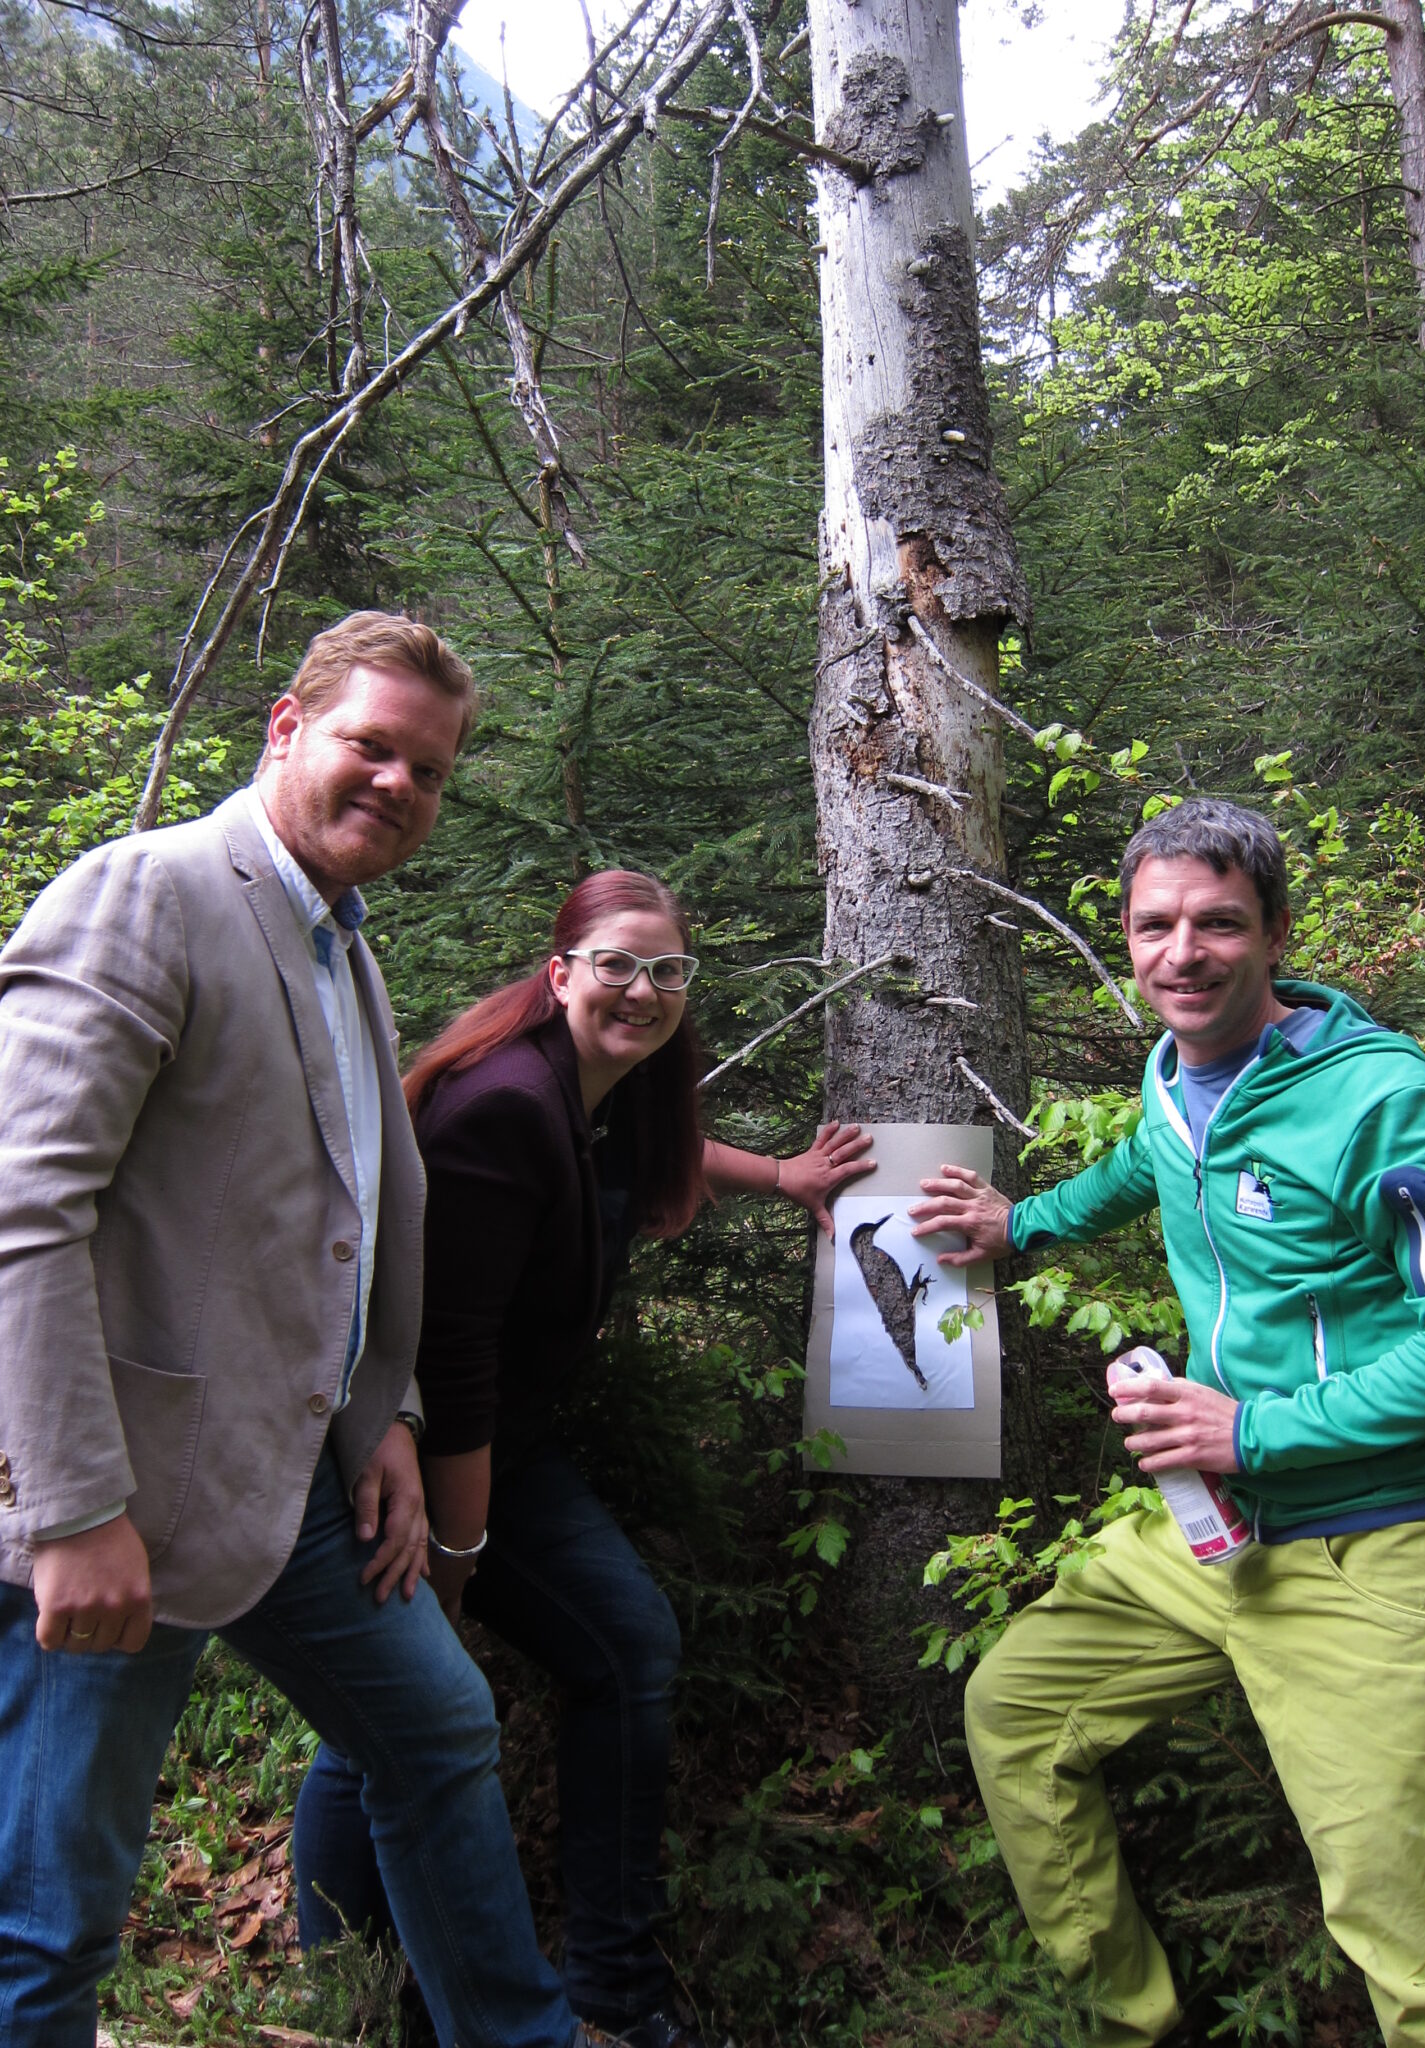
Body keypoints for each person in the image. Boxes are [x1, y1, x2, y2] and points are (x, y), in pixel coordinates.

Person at [0, 612, 613, 2048]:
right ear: (287, 728)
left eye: (431, 770)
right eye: (372, 746)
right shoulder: (148, 895)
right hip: (122, 1499)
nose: (400, 785)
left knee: (439, 1730)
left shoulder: (340, 943)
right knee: (50, 1912)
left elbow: (315, 1226)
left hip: (293, 1488)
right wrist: (72, 1511)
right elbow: (24, 1214)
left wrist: (381, 1416)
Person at [908, 796, 1425, 2048]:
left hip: (1378, 1548)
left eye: (1217, 924)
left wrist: (1248, 1432)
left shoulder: (1384, 1105)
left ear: (1276, 933)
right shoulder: (1179, 1072)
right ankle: (1138, 2018)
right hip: (1215, 1539)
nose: (1181, 953)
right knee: (1019, 1708)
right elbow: (1156, 1157)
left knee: (1420, 1946)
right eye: (1155, 926)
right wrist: (1021, 1224)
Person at [292, 868, 875, 2048]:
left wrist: (783, 1176)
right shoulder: (505, 1101)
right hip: (408, 1448)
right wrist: (456, 1547)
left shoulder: (604, 1084)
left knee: (600, 1651)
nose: (644, 989)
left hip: (505, 1435)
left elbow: (664, 1146)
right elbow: (448, 1355)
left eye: (668, 969)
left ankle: (608, 1990)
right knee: (396, 1703)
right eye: (616, 963)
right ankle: (357, 1981)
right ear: (560, 972)